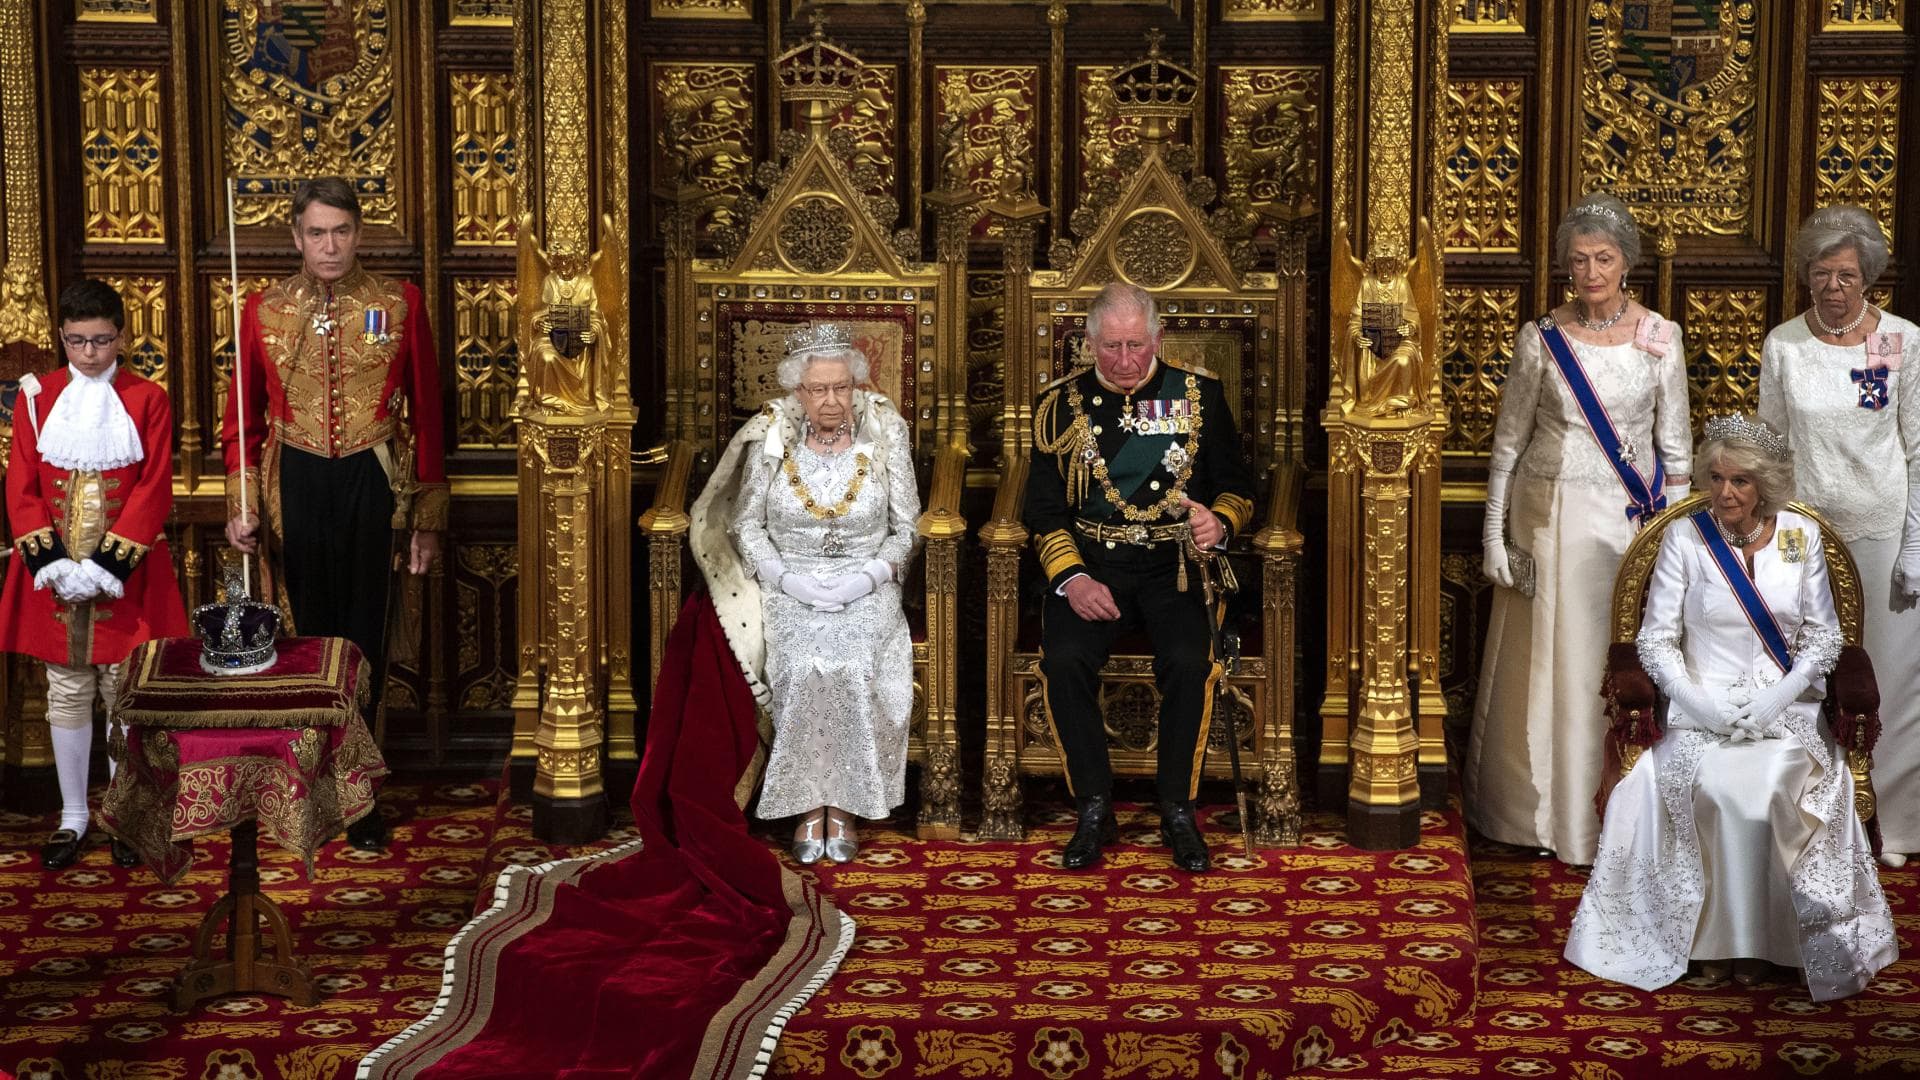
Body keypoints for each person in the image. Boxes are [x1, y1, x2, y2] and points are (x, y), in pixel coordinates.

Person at [1565, 415, 1896, 999]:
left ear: (1764, 484)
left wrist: (1775, 699)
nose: (1725, 493)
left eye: (1740, 481)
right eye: (1715, 478)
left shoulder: (1800, 537)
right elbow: (1655, 640)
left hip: (1785, 712)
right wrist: (1703, 705)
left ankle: (1771, 944)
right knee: (1714, 788)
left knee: (1769, 789)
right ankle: (1710, 944)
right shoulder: (1685, 538)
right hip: (1702, 709)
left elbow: (1824, 637)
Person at [222, 178, 447, 851]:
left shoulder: (398, 303)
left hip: (371, 475)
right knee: (303, 634)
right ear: (296, 237)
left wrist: (427, 518)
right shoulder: (263, 309)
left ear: (359, 234)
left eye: (341, 232)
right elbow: (241, 419)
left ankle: (361, 794)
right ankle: (307, 784)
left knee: (361, 635)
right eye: (316, 233)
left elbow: (429, 415)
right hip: (294, 476)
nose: (329, 245)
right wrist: (242, 503)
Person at [1468, 192, 1693, 865]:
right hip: (1545, 517)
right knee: (1545, 661)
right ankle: (1535, 815)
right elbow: (1506, 445)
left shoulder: (1661, 336)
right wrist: (1492, 537)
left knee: (1613, 657)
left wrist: (1674, 544)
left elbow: (1677, 452)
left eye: (1604, 258)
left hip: (1628, 525)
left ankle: (1619, 811)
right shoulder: (1541, 337)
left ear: (1627, 264)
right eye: (1579, 260)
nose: (1590, 271)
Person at [1025, 281, 1256, 874]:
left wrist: (1219, 522)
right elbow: (1045, 510)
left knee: (1188, 658)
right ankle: (1094, 805)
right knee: (1065, 660)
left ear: (1157, 338)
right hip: (1093, 565)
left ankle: (1178, 808)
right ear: (1089, 343)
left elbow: (1237, 488)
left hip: (1175, 566)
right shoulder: (1058, 406)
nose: (1125, 362)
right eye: (1110, 348)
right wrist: (1072, 578)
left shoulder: (1199, 397)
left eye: (1135, 345)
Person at [688, 322, 920, 864]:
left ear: (857, 385)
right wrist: (787, 580)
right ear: (799, 392)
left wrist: (865, 579)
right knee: (804, 662)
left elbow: (907, 527)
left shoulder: (885, 433)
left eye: (842, 387)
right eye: (819, 389)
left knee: (848, 662)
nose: (832, 400)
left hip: (867, 584)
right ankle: (806, 806)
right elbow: (746, 525)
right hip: (788, 582)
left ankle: (842, 807)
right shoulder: (774, 436)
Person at [0, 280, 189, 869]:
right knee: (67, 692)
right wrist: (52, 563)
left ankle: (124, 816)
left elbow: (155, 486)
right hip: (53, 577)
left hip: (127, 579)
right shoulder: (37, 397)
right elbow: (22, 483)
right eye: (77, 341)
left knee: (122, 693)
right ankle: (74, 816)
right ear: (62, 337)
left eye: (101, 341)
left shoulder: (147, 398)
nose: (88, 353)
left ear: (121, 337)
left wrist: (107, 567)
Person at [1759, 204, 1920, 869]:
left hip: (1882, 529)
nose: (1833, 287)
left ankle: (1897, 825)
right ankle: (1812, 819)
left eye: (1846, 274)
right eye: (1821, 273)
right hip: (1804, 536)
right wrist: (1764, 540)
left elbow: (1918, 450)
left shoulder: (1902, 341)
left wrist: (1916, 545)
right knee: (1805, 675)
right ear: (1806, 277)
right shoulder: (1784, 345)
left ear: (1868, 276)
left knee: (1892, 679)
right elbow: (1769, 451)